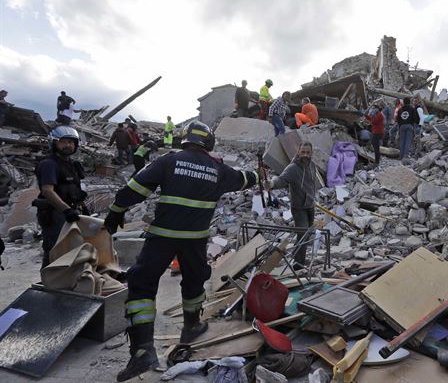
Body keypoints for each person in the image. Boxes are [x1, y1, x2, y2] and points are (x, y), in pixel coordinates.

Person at [103, 121, 258, 382]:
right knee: (195, 282)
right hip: (195, 240)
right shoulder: (217, 168)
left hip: (162, 237)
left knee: (142, 286)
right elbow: (243, 179)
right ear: (208, 142)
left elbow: (135, 188)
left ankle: (142, 351)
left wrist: (115, 213)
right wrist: (256, 175)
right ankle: (192, 326)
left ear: (185, 139)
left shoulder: (169, 161)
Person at [34, 126, 86, 268]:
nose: (68, 145)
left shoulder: (72, 164)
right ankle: (48, 284)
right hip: (54, 213)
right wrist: (66, 210)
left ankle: (64, 281)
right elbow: (47, 190)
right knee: (54, 249)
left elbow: (74, 188)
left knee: (71, 249)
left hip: (70, 211)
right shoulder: (49, 164)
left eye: (71, 142)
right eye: (63, 142)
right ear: (54, 143)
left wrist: (83, 206)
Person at [264, 141, 316, 269]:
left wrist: (314, 197)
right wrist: (271, 184)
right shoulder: (293, 168)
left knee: (307, 234)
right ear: (298, 152)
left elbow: (313, 183)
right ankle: (298, 265)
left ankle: (296, 256)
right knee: (303, 235)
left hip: (310, 205)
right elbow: (281, 179)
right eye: (303, 152)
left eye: (308, 153)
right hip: (299, 208)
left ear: (311, 153)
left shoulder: (312, 165)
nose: (305, 155)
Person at [364, 102, 385, 166]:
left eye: (375, 108)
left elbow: (373, 121)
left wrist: (367, 116)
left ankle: (377, 161)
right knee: (375, 146)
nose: (373, 109)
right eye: (373, 108)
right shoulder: (377, 114)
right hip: (376, 132)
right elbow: (372, 119)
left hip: (377, 132)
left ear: (378, 109)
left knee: (376, 146)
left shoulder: (379, 115)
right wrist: (366, 116)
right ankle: (377, 159)